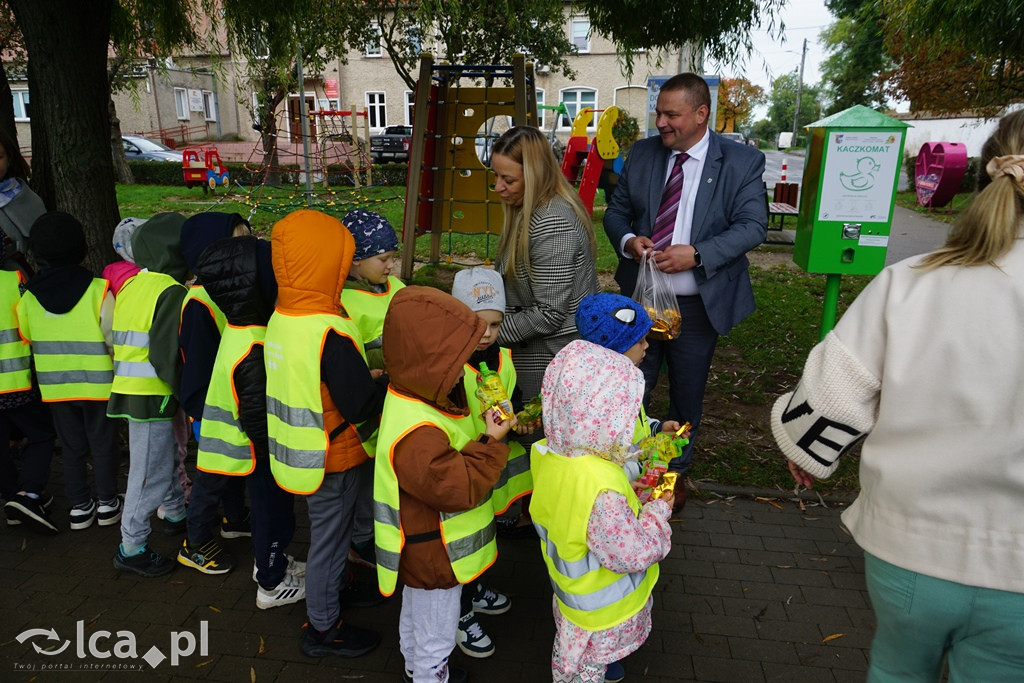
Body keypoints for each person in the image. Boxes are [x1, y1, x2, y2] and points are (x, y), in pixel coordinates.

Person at [771, 110, 1024, 682]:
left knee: (896, 670)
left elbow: (832, 396)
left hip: (908, 547)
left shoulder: (909, 281)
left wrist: (808, 454)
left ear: (980, 181)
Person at [603, 72, 767, 484]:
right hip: (639, 304)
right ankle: (618, 469)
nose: (660, 123)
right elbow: (615, 212)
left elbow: (752, 226)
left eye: (670, 114)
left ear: (700, 114)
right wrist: (628, 241)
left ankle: (671, 478)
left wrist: (696, 253)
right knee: (628, 388)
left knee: (686, 397)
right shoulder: (643, 154)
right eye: (658, 113)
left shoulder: (741, 162)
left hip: (696, 309)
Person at [374, 285, 512, 683]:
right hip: (436, 549)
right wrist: (490, 441)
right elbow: (455, 487)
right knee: (437, 629)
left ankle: (415, 665)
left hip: (418, 544)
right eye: (456, 359)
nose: (464, 364)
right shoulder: (418, 431)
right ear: (430, 359)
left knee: (416, 614)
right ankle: (430, 674)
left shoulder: (408, 394)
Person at [264, 209, 387, 654]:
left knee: (328, 537)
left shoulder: (282, 315)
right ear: (331, 263)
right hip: (331, 453)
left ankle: (335, 591)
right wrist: (388, 386)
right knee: (329, 543)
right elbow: (360, 404)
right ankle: (323, 627)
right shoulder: (329, 330)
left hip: (299, 448)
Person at [530, 340, 673, 683]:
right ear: (609, 415)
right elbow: (628, 552)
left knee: (574, 656)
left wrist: (626, 493)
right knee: (588, 669)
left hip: (570, 596)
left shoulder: (549, 452)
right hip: (604, 611)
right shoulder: (601, 482)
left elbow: (576, 511)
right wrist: (655, 513)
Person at [189, 234, 305, 607]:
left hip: (241, 449)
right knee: (273, 516)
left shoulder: (240, 328)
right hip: (258, 453)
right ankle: (271, 583)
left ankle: (269, 564)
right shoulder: (255, 347)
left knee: (269, 516)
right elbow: (258, 415)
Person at [18, 212, 122, 531]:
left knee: (72, 446)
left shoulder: (29, 296)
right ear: (83, 249)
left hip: (56, 389)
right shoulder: (99, 291)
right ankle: (107, 503)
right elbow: (113, 338)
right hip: (99, 386)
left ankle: (79, 507)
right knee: (104, 443)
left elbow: (27, 336)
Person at [491, 125, 599, 403]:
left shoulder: (552, 222)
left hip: (549, 357)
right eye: (496, 176)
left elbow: (549, 313)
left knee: (537, 439)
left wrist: (487, 332)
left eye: (508, 180)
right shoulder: (530, 209)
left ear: (534, 176)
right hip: (537, 349)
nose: (498, 187)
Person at [450, 267, 526, 659]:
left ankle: (475, 588)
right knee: (461, 547)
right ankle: (459, 613)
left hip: (489, 466)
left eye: (495, 324)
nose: (486, 333)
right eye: (475, 323)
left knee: (483, 538)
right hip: (461, 469)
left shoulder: (504, 357)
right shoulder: (447, 367)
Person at [108, 212, 189, 577]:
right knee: (148, 473)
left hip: (131, 387)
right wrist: (185, 389)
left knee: (162, 455)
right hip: (153, 392)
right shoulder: (172, 291)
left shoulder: (133, 284)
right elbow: (165, 352)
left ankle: (175, 511)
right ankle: (132, 545)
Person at [176, 212, 253, 575]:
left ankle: (235, 518)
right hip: (211, 408)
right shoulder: (200, 303)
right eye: (237, 244)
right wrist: (202, 411)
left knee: (232, 466)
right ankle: (195, 542)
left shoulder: (226, 290)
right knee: (213, 475)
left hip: (231, 400)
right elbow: (197, 364)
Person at [339, 207, 404, 570]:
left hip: (400, 395)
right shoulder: (346, 301)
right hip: (370, 397)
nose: (390, 266)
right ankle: (362, 537)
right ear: (354, 263)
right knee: (366, 472)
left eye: (393, 257)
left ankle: (382, 530)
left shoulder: (395, 286)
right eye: (382, 259)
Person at [0, 236, 57, 533]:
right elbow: (29, 324)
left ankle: (12, 499)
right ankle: (28, 493)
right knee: (42, 434)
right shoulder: (15, 279)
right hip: (15, 382)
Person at [0, 127, 45, 277]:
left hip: (11, 289)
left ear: (9, 158)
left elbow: (48, 254)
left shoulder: (27, 200)